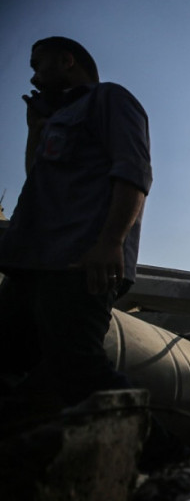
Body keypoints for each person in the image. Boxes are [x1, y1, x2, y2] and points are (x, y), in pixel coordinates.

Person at [0, 37, 151, 408]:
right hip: (32, 262)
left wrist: (111, 242)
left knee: (78, 369)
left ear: (66, 60)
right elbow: (38, 178)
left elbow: (133, 171)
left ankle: (160, 443)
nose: (34, 78)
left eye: (38, 65)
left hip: (77, 262)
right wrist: (35, 129)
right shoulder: (57, 118)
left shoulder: (108, 99)